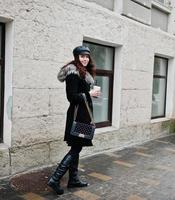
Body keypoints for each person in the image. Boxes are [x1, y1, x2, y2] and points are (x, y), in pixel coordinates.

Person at [47, 46, 100, 195]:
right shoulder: (73, 73)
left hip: (83, 115)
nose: (85, 59)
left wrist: (91, 95)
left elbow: (83, 94)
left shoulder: (84, 73)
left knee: (77, 146)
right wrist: (89, 93)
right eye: (81, 56)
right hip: (77, 116)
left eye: (87, 56)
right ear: (76, 57)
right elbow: (71, 97)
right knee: (76, 147)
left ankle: (73, 179)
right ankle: (55, 179)